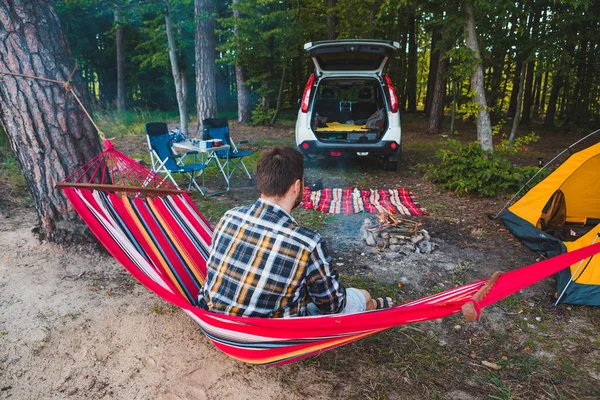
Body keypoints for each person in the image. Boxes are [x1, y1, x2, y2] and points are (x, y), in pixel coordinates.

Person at [200, 146, 393, 318]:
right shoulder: (306, 243)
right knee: (362, 296)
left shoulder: (229, 216)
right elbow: (332, 306)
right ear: (297, 186)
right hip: (269, 333)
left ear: (262, 183)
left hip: (217, 319)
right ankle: (376, 306)